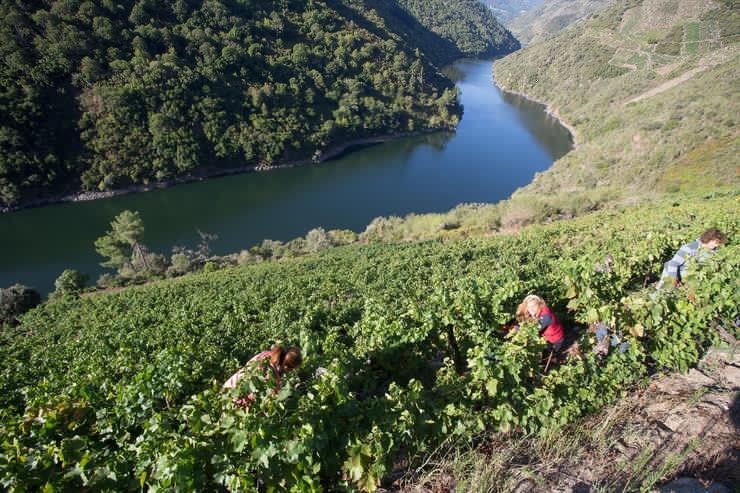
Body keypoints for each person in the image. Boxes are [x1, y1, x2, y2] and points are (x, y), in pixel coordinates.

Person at [224, 345, 302, 408]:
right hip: (235, 400)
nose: (291, 372)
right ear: (286, 367)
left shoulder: (267, 355)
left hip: (229, 388)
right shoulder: (272, 376)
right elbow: (267, 401)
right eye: (292, 369)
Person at [657, 228, 727, 288]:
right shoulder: (690, 247)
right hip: (671, 275)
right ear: (708, 239)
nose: (716, 245)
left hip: (688, 280)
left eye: (718, 243)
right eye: (715, 242)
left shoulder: (712, 252)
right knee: (661, 295)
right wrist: (674, 280)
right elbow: (673, 264)